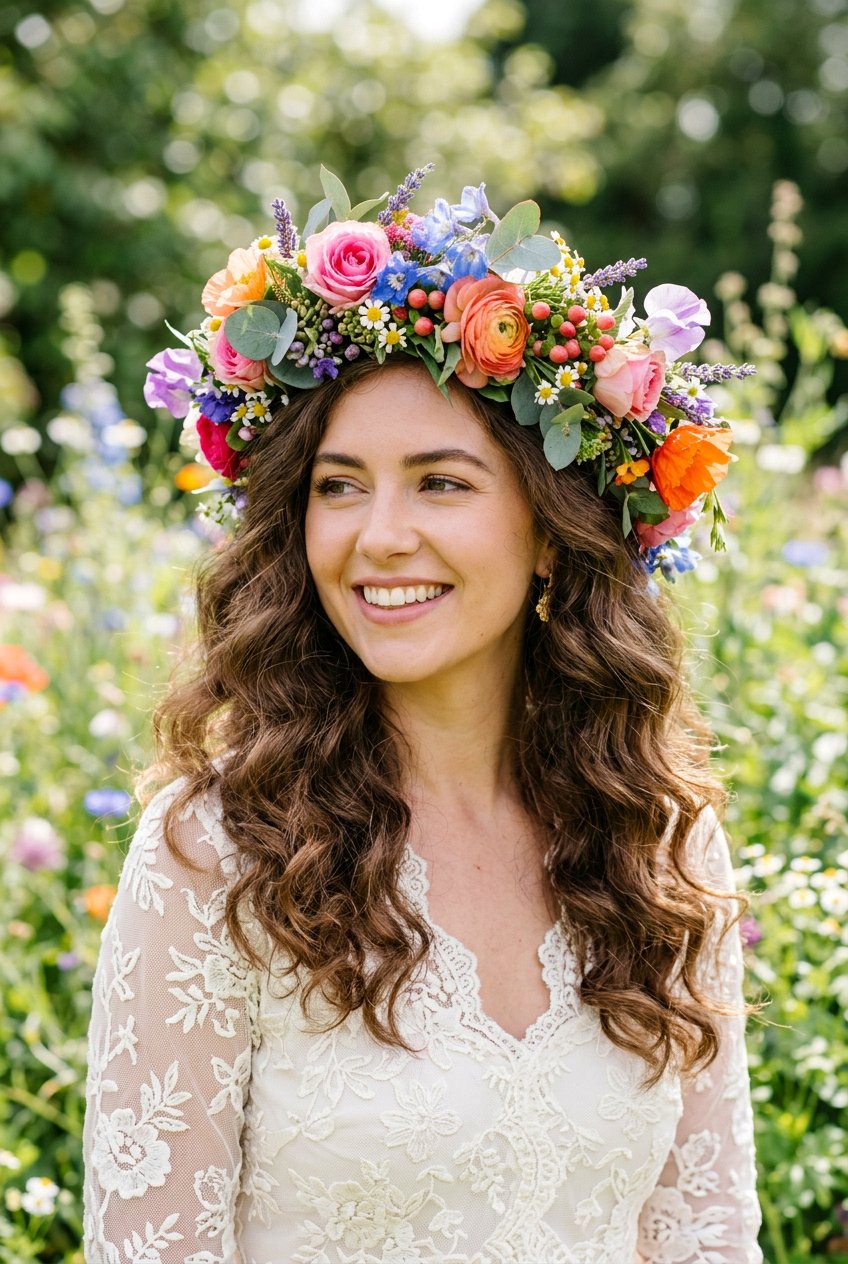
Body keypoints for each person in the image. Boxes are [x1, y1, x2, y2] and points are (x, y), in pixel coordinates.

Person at [82, 169, 762, 1263]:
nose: (378, 535)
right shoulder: (214, 855)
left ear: (550, 531)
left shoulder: (662, 846)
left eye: (439, 483)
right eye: (339, 486)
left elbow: (706, 1234)